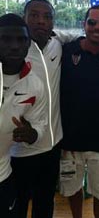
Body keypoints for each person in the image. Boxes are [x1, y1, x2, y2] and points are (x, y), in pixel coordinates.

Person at [10, 0, 75, 218]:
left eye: (47, 17)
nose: (41, 21)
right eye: (34, 16)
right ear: (24, 19)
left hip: (52, 144)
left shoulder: (57, 43)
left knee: (45, 204)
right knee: (17, 206)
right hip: (18, 151)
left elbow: (84, 36)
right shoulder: (14, 51)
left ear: (53, 23)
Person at [59, 5, 99, 218]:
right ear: (83, 25)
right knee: (73, 189)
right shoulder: (67, 51)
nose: (97, 27)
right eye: (92, 22)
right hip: (70, 140)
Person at [0, 13, 47, 217]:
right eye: (6, 39)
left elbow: (39, 125)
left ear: (29, 44)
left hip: (2, 175)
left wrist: (31, 134)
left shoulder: (34, 85)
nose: (14, 46)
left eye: (21, 40)